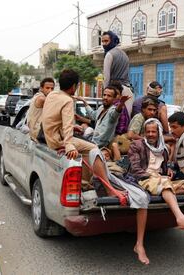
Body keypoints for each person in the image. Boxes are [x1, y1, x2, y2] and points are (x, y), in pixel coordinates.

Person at [41, 70, 149, 265]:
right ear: (74, 86)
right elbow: (74, 122)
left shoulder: (53, 95)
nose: (105, 97)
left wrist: (119, 104)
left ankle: (99, 182)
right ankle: (107, 186)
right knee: (90, 148)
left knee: (93, 150)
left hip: (70, 141)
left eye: (109, 95)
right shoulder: (91, 107)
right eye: (104, 94)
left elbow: (112, 116)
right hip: (69, 140)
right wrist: (70, 142)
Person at [128, 118, 184, 229]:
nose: (150, 134)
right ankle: (180, 218)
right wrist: (155, 177)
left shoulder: (163, 149)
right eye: (148, 132)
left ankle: (163, 193)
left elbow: (163, 168)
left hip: (161, 180)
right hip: (143, 179)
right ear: (144, 133)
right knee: (164, 183)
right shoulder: (137, 145)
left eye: (153, 132)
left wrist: (168, 170)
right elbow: (135, 169)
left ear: (158, 133)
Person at [102, 31, 134, 115]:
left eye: (106, 41)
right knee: (126, 119)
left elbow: (106, 77)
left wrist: (106, 94)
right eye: (102, 41)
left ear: (112, 41)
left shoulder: (109, 54)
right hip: (128, 91)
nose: (104, 44)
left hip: (116, 92)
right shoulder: (124, 54)